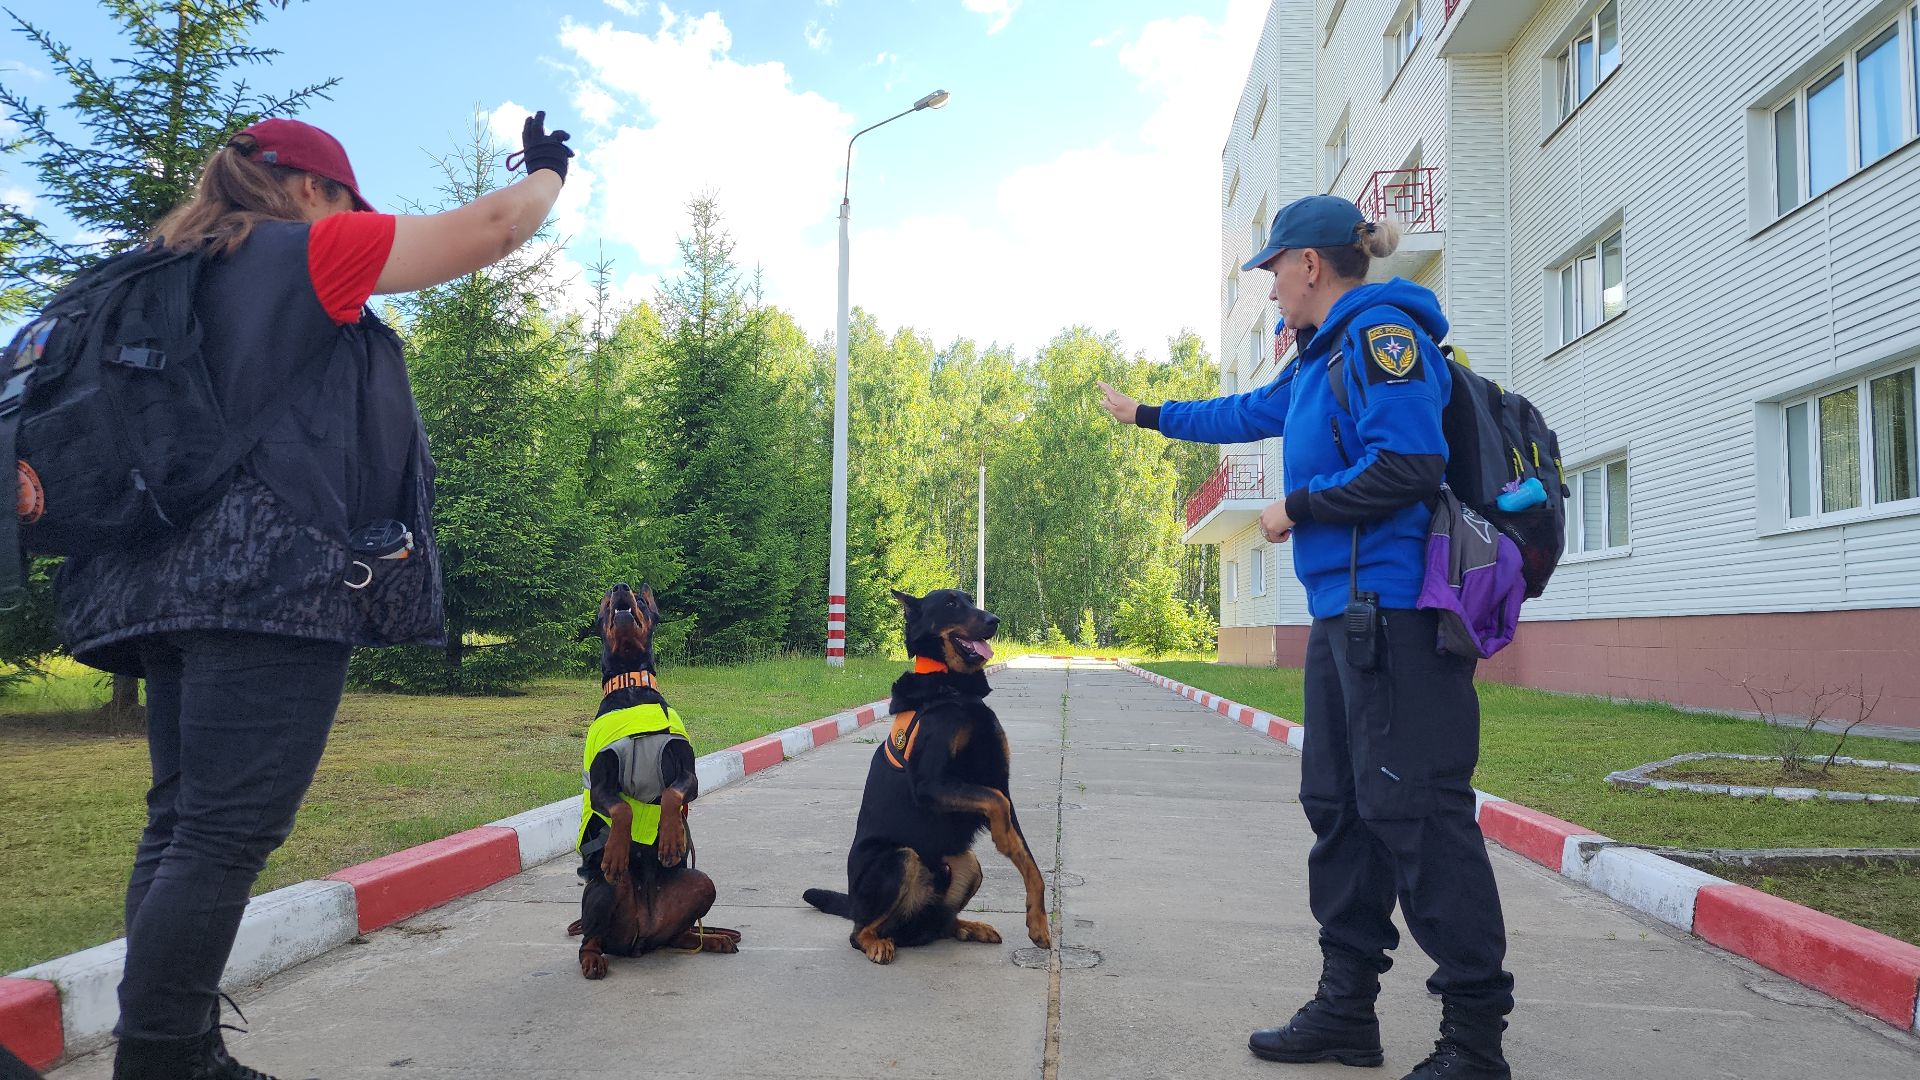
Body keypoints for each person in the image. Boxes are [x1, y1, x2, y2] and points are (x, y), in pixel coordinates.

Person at [53, 112, 576, 1080]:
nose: (354, 218)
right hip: (268, 587)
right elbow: (497, 228)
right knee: (222, 831)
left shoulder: (171, 267)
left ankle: (182, 1047)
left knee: (180, 823)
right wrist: (549, 172)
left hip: (154, 587)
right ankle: (162, 1062)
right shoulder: (305, 252)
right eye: (349, 200)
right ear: (307, 190)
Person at [1097, 194, 1514, 1080]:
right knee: (1341, 812)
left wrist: (1299, 505)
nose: (1272, 286)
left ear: (1310, 265)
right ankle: (1346, 1014)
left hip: (1398, 617)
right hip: (1343, 619)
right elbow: (1245, 413)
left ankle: (1476, 1045)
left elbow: (1410, 465)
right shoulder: (1317, 359)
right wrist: (1146, 415)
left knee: (1419, 816)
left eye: (1275, 269)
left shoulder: (1379, 337)